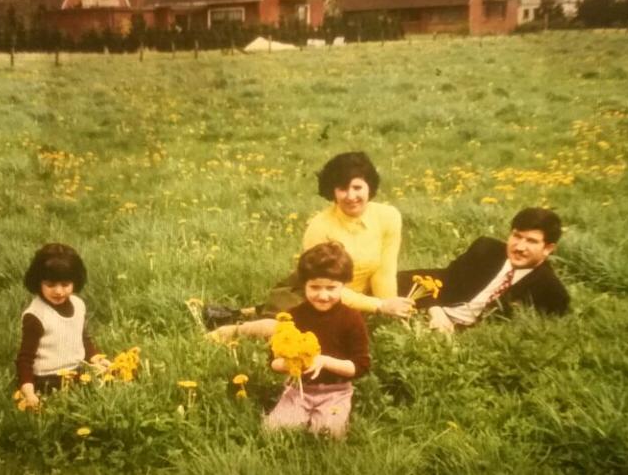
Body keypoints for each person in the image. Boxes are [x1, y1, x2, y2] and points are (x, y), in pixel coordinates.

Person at [204, 151, 413, 327]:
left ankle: (242, 313)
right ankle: (231, 330)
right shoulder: (320, 226)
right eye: (342, 189)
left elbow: (385, 272)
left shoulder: (388, 216)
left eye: (357, 187)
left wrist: (389, 308)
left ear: (370, 187)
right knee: (295, 329)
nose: (351, 196)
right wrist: (378, 306)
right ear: (332, 191)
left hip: (360, 297)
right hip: (318, 292)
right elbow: (323, 285)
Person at [213, 242, 370, 438]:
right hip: (298, 389)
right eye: (315, 287)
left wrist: (324, 361)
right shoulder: (292, 317)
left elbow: (360, 366)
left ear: (343, 286)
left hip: (335, 391)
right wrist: (291, 363)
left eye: (331, 288)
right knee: (274, 433)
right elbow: (273, 362)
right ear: (303, 285)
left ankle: (328, 421)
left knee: (327, 435)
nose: (323, 295)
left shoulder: (351, 318)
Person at [399, 208, 569, 334]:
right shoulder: (486, 250)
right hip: (437, 309)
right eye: (516, 236)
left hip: (468, 338)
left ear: (548, 248)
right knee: (393, 280)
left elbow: (522, 333)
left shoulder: (552, 291)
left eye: (531, 241)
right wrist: (434, 310)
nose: (520, 247)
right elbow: (445, 279)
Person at [15, 243, 110, 408]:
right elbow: (25, 358)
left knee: (109, 384)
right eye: (50, 285)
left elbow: (81, 337)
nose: (58, 291)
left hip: (77, 371)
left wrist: (96, 359)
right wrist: (28, 392)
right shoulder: (36, 316)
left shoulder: (78, 304)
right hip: (48, 378)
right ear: (38, 283)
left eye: (65, 285)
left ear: (75, 282)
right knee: (67, 405)